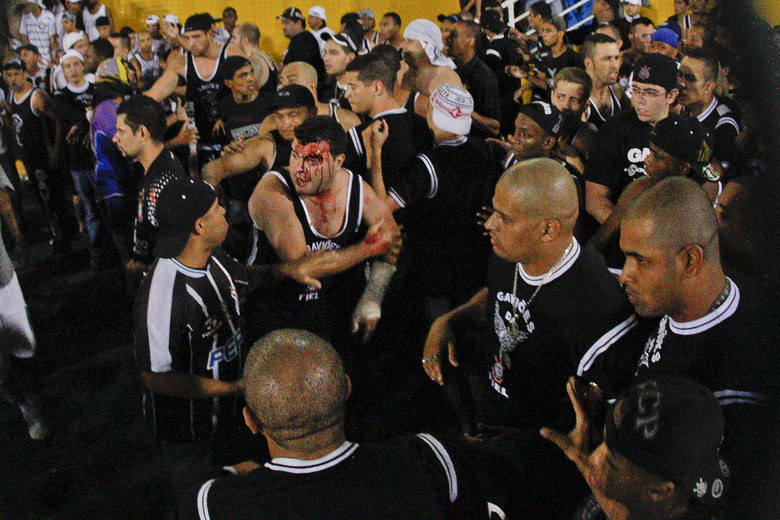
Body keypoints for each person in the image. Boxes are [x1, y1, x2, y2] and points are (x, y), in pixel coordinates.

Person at [423, 158, 640, 517]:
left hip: (540, 463)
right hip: (497, 421)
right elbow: (494, 298)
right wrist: (447, 320)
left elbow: (592, 432)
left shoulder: (598, 311)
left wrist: (522, 445)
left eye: (504, 217)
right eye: (494, 211)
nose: (490, 224)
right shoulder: (511, 252)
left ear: (548, 230)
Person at [133, 178, 335, 500]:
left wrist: (289, 270)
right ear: (200, 225)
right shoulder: (161, 297)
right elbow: (155, 378)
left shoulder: (210, 255)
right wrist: (232, 388)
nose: (225, 212)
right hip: (187, 432)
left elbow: (245, 277)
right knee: (196, 499)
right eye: (217, 210)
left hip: (226, 414)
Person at [174, 329, 485, 519]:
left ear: (252, 422)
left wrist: (230, 474)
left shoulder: (212, 506)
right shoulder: (432, 458)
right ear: (347, 388)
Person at [617, 176, 778, 517]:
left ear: (690, 260)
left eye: (640, 260)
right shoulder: (687, 300)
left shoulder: (732, 391)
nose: (625, 275)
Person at [245, 115, 399, 349]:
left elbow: (391, 238)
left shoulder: (355, 188)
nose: (300, 169)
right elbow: (303, 267)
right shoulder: (272, 192)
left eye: (313, 160)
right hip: (279, 318)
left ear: (338, 163)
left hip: (335, 317)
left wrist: (373, 296)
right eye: (295, 156)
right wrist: (368, 247)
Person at [542, 376, 732, 520]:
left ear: (660, 492)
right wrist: (582, 463)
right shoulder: (673, 500)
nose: (595, 458)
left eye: (612, 463)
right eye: (604, 445)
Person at [587, 114, 720, 270]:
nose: (646, 160)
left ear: (683, 168)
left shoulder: (707, 198)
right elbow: (597, 243)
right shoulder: (641, 189)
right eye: (650, 151)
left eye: (657, 156)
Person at [584, 53, 679, 225]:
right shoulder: (613, 130)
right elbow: (595, 201)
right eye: (636, 90)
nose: (640, 100)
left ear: (671, 96)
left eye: (650, 93)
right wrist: (634, 236)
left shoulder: (684, 131)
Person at [147, 13, 242, 166]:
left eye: (196, 37)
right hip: (200, 138)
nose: (191, 43)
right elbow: (152, 96)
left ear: (210, 33)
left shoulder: (231, 54)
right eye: (188, 38)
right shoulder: (181, 63)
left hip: (234, 135)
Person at [4, 59, 76, 255]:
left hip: (43, 156)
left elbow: (58, 121)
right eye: (8, 75)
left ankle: (65, 239)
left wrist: (55, 151)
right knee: (40, 196)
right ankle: (61, 234)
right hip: (28, 156)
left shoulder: (37, 96)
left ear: (24, 73)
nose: (12, 79)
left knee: (52, 196)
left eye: (16, 74)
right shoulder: (11, 95)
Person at [112, 95, 187, 272]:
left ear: (142, 133)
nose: (115, 138)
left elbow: (176, 245)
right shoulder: (152, 168)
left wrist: (147, 267)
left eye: (121, 131)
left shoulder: (164, 180)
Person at [0, 166, 49, 441]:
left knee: (25, 348)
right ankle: (24, 406)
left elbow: (4, 200)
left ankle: (31, 403)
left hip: (2, 276)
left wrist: (17, 241)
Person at [341, 53, 433, 195]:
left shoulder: (360, 135)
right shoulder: (423, 125)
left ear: (377, 87)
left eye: (352, 87)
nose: (347, 95)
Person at [677, 48, 740, 169]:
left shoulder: (724, 125)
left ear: (709, 87)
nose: (681, 84)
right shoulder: (685, 111)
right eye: (680, 75)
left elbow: (716, 179)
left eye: (690, 78)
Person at [447, 20, 500, 138]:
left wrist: (461, 107)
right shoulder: (451, 70)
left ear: (470, 41)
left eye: (454, 35)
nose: (448, 40)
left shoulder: (484, 77)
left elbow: (495, 127)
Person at [400, 19, 463, 118]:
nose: (402, 45)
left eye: (409, 41)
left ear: (427, 45)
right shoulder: (405, 72)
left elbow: (455, 119)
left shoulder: (447, 77)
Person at [278, 61, 361, 131]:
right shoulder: (275, 122)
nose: (284, 87)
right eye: (281, 82)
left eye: (292, 80)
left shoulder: (345, 119)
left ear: (312, 85)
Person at [582, 34, 627, 129]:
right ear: (588, 63)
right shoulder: (579, 97)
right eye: (607, 59)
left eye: (617, 58)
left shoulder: (617, 90)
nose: (615, 65)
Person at [277, 7, 326, 87]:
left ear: (299, 23)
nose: (284, 27)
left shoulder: (305, 41)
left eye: (287, 23)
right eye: (283, 23)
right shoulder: (298, 39)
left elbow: (302, 69)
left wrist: (281, 69)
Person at [320, 28, 360, 110]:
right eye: (325, 52)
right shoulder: (325, 88)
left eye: (333, 53)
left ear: (351, 58)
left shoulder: (361, 91)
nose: (326, 58)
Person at [233, 22, 278, 95]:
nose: (231, 42)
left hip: (263, 105)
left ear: (245, 40)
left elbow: (246, 92)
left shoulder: (254, 60)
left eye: (234, 38)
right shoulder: (266, 57)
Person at [19, 0, 57, 65]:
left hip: (46, 58)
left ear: (36, 4)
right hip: (32, 59)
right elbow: (24, 38)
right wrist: (33, 55)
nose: (26, 6)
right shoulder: (24, 17)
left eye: (28, 4)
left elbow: (52, 41)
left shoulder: (49, 16)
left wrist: (53, 58)